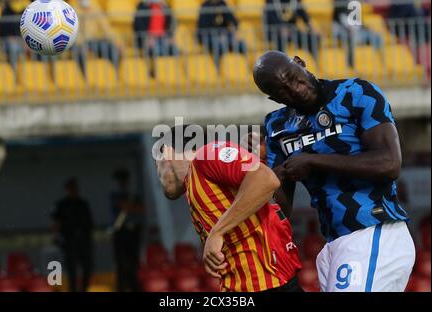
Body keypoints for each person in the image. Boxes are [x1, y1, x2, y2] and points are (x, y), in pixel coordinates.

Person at [253, 50, 416, 292]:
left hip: (374, 230)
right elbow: (281, 208)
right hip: (332, 244)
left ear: (300, 62)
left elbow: (389, 163)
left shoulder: (356, 93)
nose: (295, 90)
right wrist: (262, 168)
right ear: (274, 99)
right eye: (282, 91)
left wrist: (314, 161)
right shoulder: (276, 126)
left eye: (293, 78)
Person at [155, 125, 302, 292]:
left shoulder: (207, 155)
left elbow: (267, 179)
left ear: (167, 152)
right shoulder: (195, 183)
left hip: (267, 283)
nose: (159, 175)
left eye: (157, 165)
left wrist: (217, 232)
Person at [51, 177, 94, 292]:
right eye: (70, 188)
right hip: (68, 241)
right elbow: (56, 221)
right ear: (66, 189)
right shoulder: (62, 204)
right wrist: (55, 236)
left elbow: (89, 223)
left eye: (74, 188)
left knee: (87, 268)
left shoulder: (83, 203)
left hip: (84, 241)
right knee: (71, 271)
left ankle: (84, 289)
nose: (73, 190)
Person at [109, 168, 144, 292]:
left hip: (133, 232)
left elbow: (141, 209)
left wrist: (131, 207)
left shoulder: (133, 195)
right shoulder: (114, 195)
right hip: (120, 232)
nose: (123, 183)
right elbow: (124, 206)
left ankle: (134, 287)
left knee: (134, 262)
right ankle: (122, 287)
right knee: (121, 263)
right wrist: (130, 206)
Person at [70, 0, 125, 71]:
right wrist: (81, 43)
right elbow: (74, 31)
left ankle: (117, 73)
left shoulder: (95, 8)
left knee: (112, 48)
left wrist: (117, 41)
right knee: (79, 52)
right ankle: (85, 78)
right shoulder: (71, 10)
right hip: (79, 43)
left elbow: (106, 28)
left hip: (94, 41)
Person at [332, 0, 382, 66]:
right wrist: (350, 30)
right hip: (342, 32)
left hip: (357, 32)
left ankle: (381, 62)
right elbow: (340, 21)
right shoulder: (340, 5)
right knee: (351, 38)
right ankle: (350, 64)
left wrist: (366, 28)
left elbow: (358, 22)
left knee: (376, 36)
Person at [197, 0, 247, 66]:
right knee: (218, 44)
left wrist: (234, 34)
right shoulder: (205, 6)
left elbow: (232, 21)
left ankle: (244, 66)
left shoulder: (222, 3)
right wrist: (218, 35)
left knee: (241, 44)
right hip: (209, 37)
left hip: (224, 36)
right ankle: (218, 68)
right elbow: (203, 29)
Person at [0, 0, 28, 70]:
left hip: (22, 41)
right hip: (8, 42)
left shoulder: (25, 12)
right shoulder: (5, 11)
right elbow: (2, 32)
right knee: (13, 47)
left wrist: (26, 41)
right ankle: (14, 71)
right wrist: (10, 39)